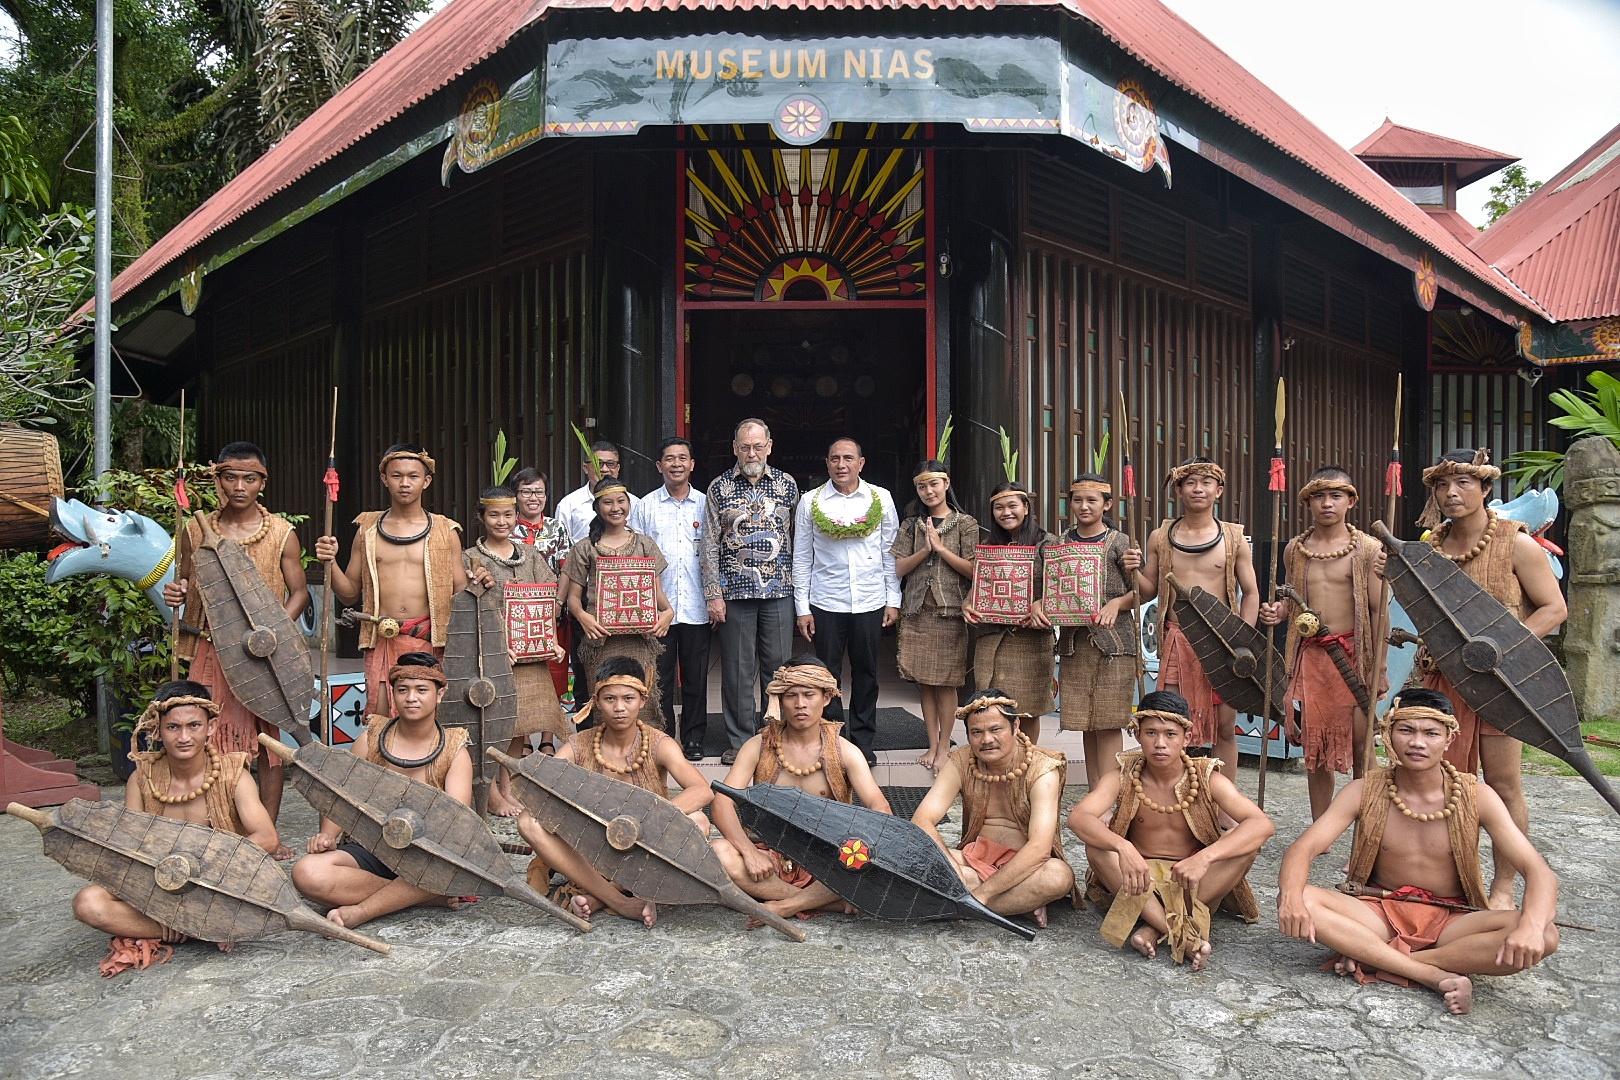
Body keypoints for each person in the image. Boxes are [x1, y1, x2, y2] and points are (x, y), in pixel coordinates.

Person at [1277, 690, 1560, 1015]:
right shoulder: (1363, 790)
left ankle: (1379, 960)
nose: (1417, 743)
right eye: (1406, 730)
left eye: (1430, 733)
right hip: (1378, 913)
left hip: (1453, 923)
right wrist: (1290, 899)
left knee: (1546, 935)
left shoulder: (1477, 796)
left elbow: (1538, 871)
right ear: (1389, 734)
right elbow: (1303, 849)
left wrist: (1531, 926)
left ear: (1449, 739)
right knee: (1306, 899)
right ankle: (1431, 975)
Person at [1416, 449, 1566, 909]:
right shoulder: (1430, 547)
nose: (1451, 493)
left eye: (1463, 483)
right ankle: (1446, 878)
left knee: (1502, 784)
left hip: (1503, 684)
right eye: (1443, 485)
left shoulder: (1515, 543)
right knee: (1441, 783)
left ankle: (1502, 887)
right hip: (1442, 680)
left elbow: (1554, 609)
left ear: (1485, 489)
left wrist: (1501, 648)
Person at [73, 681, 280, 975]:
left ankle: (186, 923)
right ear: (158, 729)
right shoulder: (142, 780)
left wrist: (200, 867)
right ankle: (180, 926)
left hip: (218, 886)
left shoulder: (233, 774)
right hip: (161, 884)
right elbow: (129, 847)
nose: (184, 737)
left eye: (194, 725)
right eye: (173, 727)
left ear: (210, 728)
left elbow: (268, 839)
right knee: (88, 903)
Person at [164, 441, 307, 858]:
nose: (239, 486)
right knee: (208, 735)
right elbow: (185, 582)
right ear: (217, 479)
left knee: (269, 744)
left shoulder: (281, 532)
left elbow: (299, 593)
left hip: (266, 654)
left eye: (249, 478)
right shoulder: (196, 530)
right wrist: (176, 592)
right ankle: (220, 825)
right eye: (231, 477)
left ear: (262, 482)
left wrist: (273, 634)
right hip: (212, 649)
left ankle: (270, 833)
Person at [1068, 690, 1272, 970]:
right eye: (1151, 733)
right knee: (1098, 848)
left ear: (1186, 738)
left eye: (1170, 734)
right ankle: (1181, 933)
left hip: (1190, 877)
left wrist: (1205, 858)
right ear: (1138, 735)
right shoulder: (1123, 775)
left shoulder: (1206, 776)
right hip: (1139, 878)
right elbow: (1079, 817)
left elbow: (1262, 824)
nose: (1160, 743)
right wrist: (1123, 847)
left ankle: (1152, 927)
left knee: (1246, 849)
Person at [515, 656, 714, 927]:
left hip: (645, 846)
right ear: (596, 701)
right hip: (592, 847)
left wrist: (642, 823)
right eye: (610, 699)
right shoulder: (579, 745)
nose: (619, 708)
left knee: (698, 822)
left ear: (643, 700)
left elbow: (702, 790)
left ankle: (599, 897)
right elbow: (541, 787)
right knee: (529, 820)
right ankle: (621, 900)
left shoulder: (658, 743)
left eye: (628, 699)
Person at [293, 654, 475, 929]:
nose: (411, 698)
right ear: (393, 694)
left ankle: (365, 910)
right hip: (370, 847)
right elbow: (341, 796)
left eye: (421, 690)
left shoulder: (454, 751)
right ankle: (418, 897)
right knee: (306, 873)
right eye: (403, 690)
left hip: (427, 858)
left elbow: (455, 828)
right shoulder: (370, 740)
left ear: (440, 694)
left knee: (454, 868)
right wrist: (327, 836)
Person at [710, 658, 891, 923]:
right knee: (719, 853)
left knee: (867, 857)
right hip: (769, 857)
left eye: (809, 695)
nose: (800, 704)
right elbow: (721, 803)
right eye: (791, 696)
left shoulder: (846, 752)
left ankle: (782, 906)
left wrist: (865, 843)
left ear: (826, 697)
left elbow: (880, 806)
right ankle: (826, 902)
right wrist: (749, 853)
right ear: (780, 700)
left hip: (828, 859)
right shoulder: (758, 746)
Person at [1258, 467, 1387, 819]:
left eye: (1335, 496)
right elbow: (1294, 599)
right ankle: (1322, 825)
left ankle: (1370, 830)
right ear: (1308, 502)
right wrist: (1278, 612)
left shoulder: (1369, 550)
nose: (1327, 504)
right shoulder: (1296, 550)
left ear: (1351, 500)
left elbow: (1378, 611)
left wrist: (1379, 663)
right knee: (1315, 747)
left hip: (1353, 656)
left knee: (1363, 748)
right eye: (1319, 496)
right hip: (1312, 657)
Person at [315, 445, 481, 717]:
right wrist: (330, 562)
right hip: (382, 637)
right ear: (384, 479)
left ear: (426, 480)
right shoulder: (367, 530)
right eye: (396, 475)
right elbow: (348, 594)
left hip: (429, 640)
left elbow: (460, 592)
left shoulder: (445, 531)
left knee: (427, 718)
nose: (405, 483)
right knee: (378, 718)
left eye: (413, 476)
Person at [1137, 458, 1259, 781]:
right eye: (1190, 482)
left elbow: (1251, 592)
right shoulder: (1160, 536)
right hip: (1178, 638)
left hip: (1222, 642)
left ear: (1219, 490)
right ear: (1179, 489)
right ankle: (1182, 803)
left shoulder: (1233, 539)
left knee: (1224, 728)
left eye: (1206, 482)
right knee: (1174, 721)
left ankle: (1225, 806)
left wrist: (1241, 638)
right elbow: (1148, 588)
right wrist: (1130, 568)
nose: (1198, 488)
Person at [911, 691, 1077, 928]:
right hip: (973, 860)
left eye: (995, 729)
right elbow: (922, 820)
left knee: (1058, 877)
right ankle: (1018, 905)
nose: (986, 739)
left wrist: (982, 895)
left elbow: (1040, 849)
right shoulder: (961, 761)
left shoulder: (1042, 768)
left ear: (1016, 725)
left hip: (1026, 867)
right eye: (976, 732)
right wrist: (954, 873)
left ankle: (963, 905)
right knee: (917, 860)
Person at [793, 437, 901, 766]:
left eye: (848, 458)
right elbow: (801, 558)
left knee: (867, 672)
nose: (842, 464)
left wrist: (893, 599)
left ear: (861, 462)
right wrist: (803, 608)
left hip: (870, 600)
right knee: (828, 675)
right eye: (835, 458)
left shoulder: (880, 498)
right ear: (826, 463)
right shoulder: (810, 502)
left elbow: (889, 553)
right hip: (826, 601)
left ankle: (863, 741)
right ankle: (832, 738)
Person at [465, 485, 571, 817]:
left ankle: (508, 786)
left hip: (529, 657)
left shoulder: (531, 555)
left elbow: (545, 600)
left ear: (516, 517)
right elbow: (468, 606)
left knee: (520, 725)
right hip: (492, 654)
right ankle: (490, 790)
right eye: (494, 514)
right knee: (494, 723)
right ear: (481, 517)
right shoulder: (472, 557)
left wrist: (550, 640)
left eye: (508, 514)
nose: (502, 521)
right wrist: (495, 647)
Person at [700, 419, 799, 765]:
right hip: (734, 593)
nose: (752, 453)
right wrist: (713, 594)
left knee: (779, 669)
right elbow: (709, 543)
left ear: (770, 446)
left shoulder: (788, 485)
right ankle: (741, 742)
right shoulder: (719, 488)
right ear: (735, 448)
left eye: (758, 446)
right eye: (745, 447)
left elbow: (797, 540)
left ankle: (777, 736)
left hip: (780, 590)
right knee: (738, 670)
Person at [561, 476, 674, 728]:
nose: (616, 508)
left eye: (621, 501)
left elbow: (658, 596)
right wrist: (583, 617)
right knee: (605, 701)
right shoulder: (584, 548)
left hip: (640, 641)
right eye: (608, 502)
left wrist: (667, 613)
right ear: (597, 508)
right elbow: (573, 599)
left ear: (629, 504)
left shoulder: (645, 545)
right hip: (599, 641)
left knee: (641, 700)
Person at [1055, 473, 1144, 790]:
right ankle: (1097, 795)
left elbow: (1144, 591)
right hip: (1075, 644)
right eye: (1077, 500)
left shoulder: (1121, 543)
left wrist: (1118, 602)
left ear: (1107, 504)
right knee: (1085, 725)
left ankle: (1112, 797)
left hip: (1115, 646)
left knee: (1108, 723)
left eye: (1092, 500)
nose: (1083, 506)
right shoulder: (1061, 543)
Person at [892, 459, 978, 774]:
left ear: (946, 484)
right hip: (916, 611)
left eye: (934, 484)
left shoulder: (965, 523)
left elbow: (973, 570)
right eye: (922, 486)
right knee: (924, 682)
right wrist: (925, 550)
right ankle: (931, 743)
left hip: (950, 611)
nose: (928, 491)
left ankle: (945, 747)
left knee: (946, 682)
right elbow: (899, 568)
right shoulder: (910, 524)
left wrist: (941, 549)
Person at [630, 437, 712, 760]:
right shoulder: (645, 507)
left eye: (682, 458)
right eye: (669, 458)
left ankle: (693, 738)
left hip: (696, 605)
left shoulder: (707, 505)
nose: (676, 463)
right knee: (659, 677)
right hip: (657, 610)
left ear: (692, 464)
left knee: (695, 676)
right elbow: (637, 558)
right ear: (659, 466)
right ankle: (662, 737)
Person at [961, 480, 1057, 744]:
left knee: (1027, 711)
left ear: (1026, 507)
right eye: (999, 507)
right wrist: (968, 603)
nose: (1006, 512)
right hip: (991, 642)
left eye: (1012, 505)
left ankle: (1025, 765)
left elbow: (1061, 590)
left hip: (1031, 643)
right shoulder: (988, 544)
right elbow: (979, 586)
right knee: (991, 711)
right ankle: (995, 764)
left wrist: (1042, 603)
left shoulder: (1047, 543)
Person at [510, 466, 576, 704]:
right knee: (521, 674)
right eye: (526, 492)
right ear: (516, 496)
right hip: (516, 614)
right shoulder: (507, 527)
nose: (533, 498)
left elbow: (567, 568)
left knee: (553, 673)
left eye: (539, 492)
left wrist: (558, 603)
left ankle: (547, 739)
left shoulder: (556, 527)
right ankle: (525, 739)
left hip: (553, 613)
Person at [555, 439, 640, 544]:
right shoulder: (568, 504)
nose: (604, 469)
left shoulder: (635, 503)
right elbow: (561, 546)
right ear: (585, 468)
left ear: (618, 468)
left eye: (610, 464)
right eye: (598, 464)